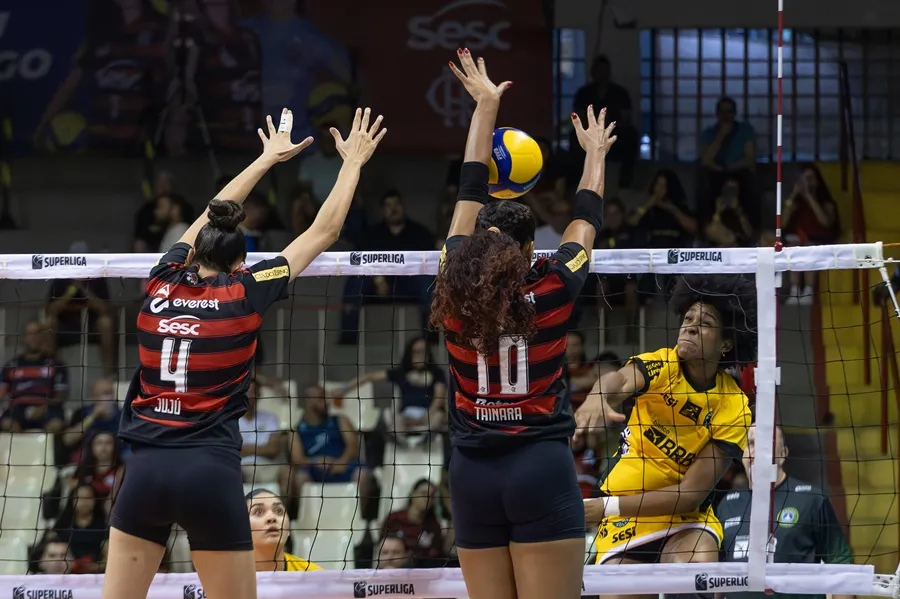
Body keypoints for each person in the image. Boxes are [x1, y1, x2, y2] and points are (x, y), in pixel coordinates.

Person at [103, 106, 385, 599]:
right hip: (207, 470)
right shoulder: (246, 291)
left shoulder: (159, 281)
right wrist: (353, 163)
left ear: (192, 252)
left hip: (145, 467)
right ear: (241, 261)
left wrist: (264, 160)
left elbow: (202, 220)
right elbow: (323, 233)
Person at [429, 49, 613, 599]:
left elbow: (468, 191)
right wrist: (594, 155)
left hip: (472, 473)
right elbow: (586, 219)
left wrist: (485, 106)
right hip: (540, 467)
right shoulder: (554, 288)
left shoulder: (453, 288)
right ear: (534, 248)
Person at [577, 274, 756, 577]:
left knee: (697, 571)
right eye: (688, 317)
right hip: (627, 515)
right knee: (622, 592)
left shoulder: (734, 405)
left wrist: (604, 508)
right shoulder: (663, 365)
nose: (690, 326)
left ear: (726, 343)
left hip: (684, 517)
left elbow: (689, 494)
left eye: (706, 323)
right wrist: (597, 394)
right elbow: (619, 380)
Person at [717, 425, 854, 599]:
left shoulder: (812, 499)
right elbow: (716, 574)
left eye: (766, 444)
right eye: (750, 444)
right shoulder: (728, 503)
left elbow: (840, 565)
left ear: (783, 454)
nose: (757, 452)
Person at [343, 336, 448, 437]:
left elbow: (439, 399)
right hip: (406, 415)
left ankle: (425, 441)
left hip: (429, 413)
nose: (420, 355)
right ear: (410, 353)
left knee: (438, 417)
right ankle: (401, 445)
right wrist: (344, 389)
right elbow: (370, 377)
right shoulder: (401, 372)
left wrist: (426, 417)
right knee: (396, 421)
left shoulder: (437, 373)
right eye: (416, 352)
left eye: (423, 351)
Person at [783, 164, 840, 304]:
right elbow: (782, 224)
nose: (807, 182)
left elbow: (825, 222)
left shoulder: (826, 202)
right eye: (804, 179)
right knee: (794, 248)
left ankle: (808, 291)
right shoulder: (794, 203)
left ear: (817, 180)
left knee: (809, 248)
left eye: (810, 178)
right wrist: (793, 196)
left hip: (820, 242)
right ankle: (794, 291)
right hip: (797, 241)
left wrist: (809, 197)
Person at [0, 321, 68, 433]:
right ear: (23, 338)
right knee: (7, 424)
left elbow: (61, 395)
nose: (33, 338)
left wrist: (44, 407)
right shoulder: (11, 365)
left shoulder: (56, 364)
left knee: (56, 425)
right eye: (30, 334)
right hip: (18, 409)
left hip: (48, 408)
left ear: (43, 337)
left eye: (37, 333)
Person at [245, 489, 322, 572]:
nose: (272, 517)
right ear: (241, 529)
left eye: (279, 511)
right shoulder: (230, 575)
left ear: (288, 530)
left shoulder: (312, 573)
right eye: (259, 512)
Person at [382, 478, 446, 566]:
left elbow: (437, 554)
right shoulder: (394, 519)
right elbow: (382, 547)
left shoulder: (433, 526)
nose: (427, 498)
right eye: (423, 493)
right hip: (393, 566)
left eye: (431, 496)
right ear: (413, 494)